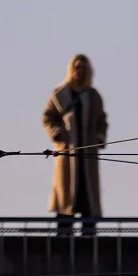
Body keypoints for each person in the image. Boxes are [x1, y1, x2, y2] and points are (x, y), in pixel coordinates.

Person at [42, 54, 108, 236]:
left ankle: (89, 234)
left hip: (87, 153)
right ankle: (63, 235)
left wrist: (100, 136)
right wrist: (57, 133)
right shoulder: (60, 94)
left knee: (88, 196)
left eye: (83, 68)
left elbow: (102, 120)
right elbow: (48, 117)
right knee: (65, 196)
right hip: (66, 151)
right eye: (77, 67)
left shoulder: (93, 96)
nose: (80, 71)